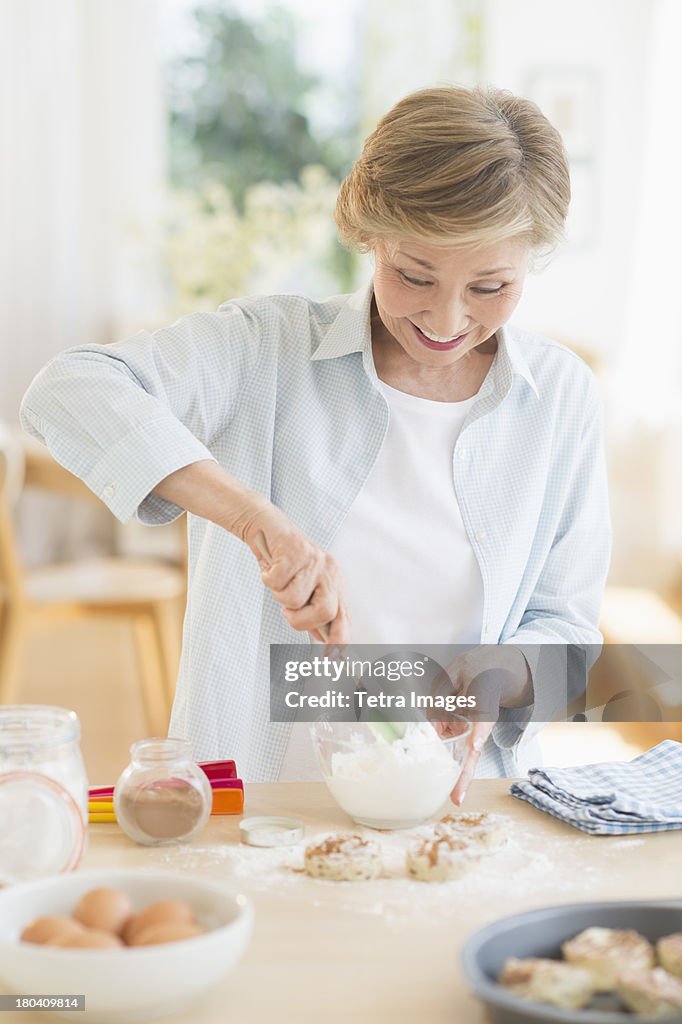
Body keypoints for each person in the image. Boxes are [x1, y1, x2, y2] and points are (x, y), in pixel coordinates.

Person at [20, 85, 611, 801]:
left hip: (459, 804)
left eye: (490, 287)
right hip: (254, 803)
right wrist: (254, 518)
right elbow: (68, 388)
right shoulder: (265, 348)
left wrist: (496, 681)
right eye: (413, 275)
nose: (446, 320)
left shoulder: (561, 398)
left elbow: (569, 635)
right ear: (369, 236)